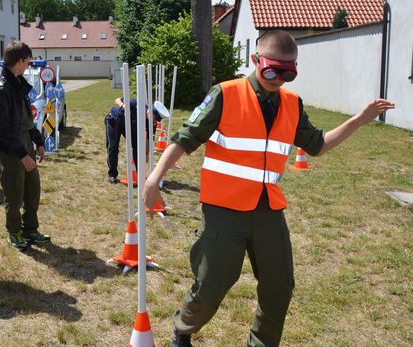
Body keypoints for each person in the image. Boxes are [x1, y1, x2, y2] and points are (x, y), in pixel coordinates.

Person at [143, 30, 395, 347]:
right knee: (213, 282)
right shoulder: (225, 94)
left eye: (287, 72)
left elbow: (318, 145)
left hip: (268, 210)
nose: (278, 78)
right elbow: (185, 138)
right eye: (272, 69)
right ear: (255, 60)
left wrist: (360, 118)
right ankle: (183, 328)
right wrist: (155, 177)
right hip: (223, 208)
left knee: (279, 286)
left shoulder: (291, 104)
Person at [0, 41, 50, 251]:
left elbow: (27, 120)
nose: (29, 65)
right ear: (20, 61)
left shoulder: (19, 84)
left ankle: (30, 229)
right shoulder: (1, 90)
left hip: (26, 145)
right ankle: (14, 231)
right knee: (14, 193)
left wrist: (38, 141)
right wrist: (23, 154)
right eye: (28, 61)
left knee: (32, 189)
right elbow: (3, 131)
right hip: (12, 151)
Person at [105, 97, 163, 183]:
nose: (154, 121)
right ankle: (112, 175)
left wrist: (146, 153)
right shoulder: (137, 104)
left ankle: (138, 175)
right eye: (154, 118)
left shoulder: (152, 123)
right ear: (151, 111)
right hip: (114, 121)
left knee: (138, 148)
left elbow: (149, 138)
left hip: (131, 126)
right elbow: (117, 99)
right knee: (113, 147)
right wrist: (123, 106)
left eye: (155, 120)